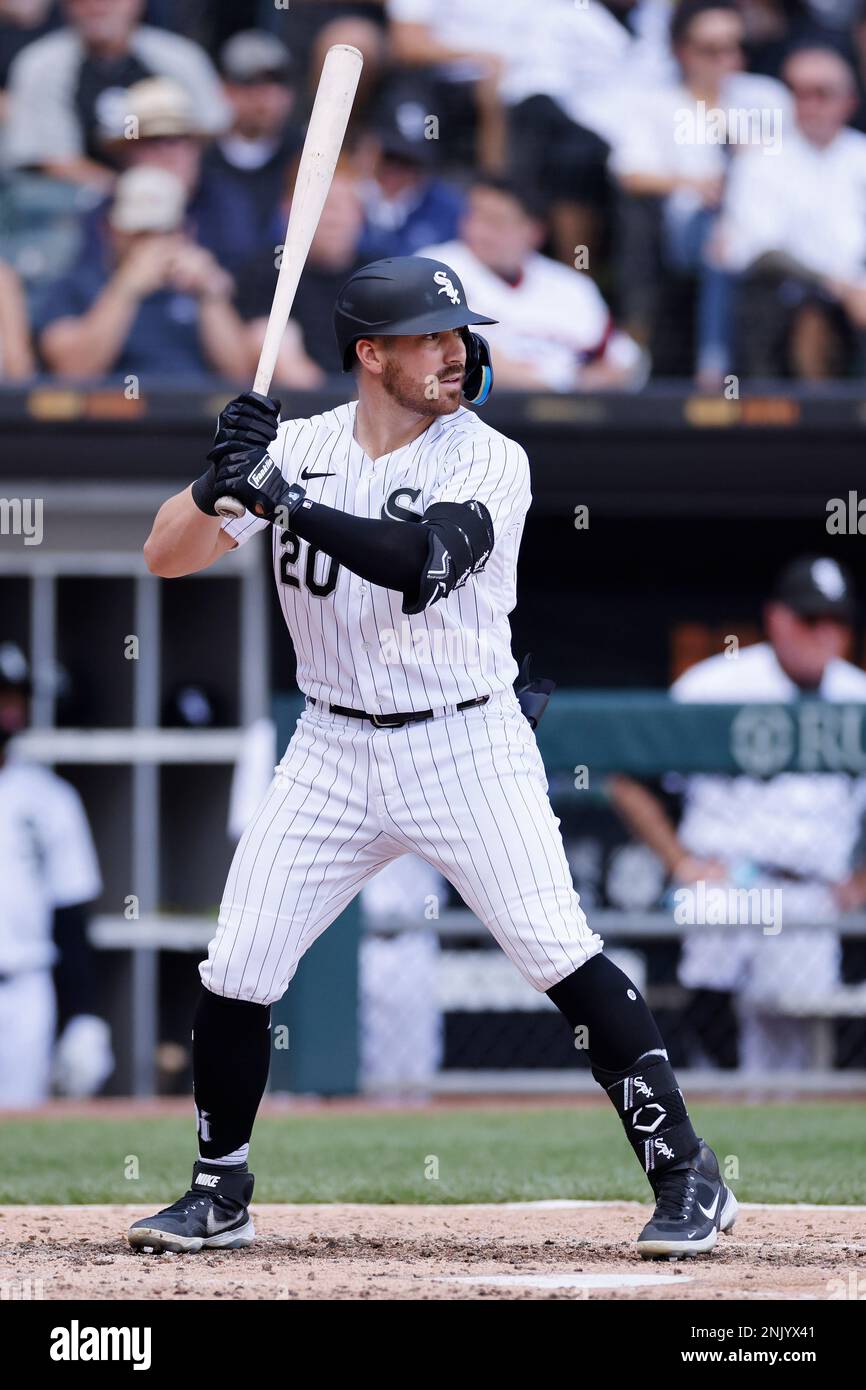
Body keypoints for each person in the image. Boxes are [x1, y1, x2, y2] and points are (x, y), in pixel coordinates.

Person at [131, 253, 737, 1259]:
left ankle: (685, 1172)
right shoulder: (301, 446)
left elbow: (420, 563)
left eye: (456, 332)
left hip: (462, 736)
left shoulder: (485, 456)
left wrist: (280, 498)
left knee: (556, 951)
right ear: (370, 354)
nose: (453, 351)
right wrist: (216, 481)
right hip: (328, 742)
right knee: (236, 963)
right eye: (426, 336)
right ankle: (217, 1187)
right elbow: (165, 554)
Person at [608, 556, 866, 1072]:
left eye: (837, 622)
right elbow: (626, 777)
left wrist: (860, 882)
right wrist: (679, 861)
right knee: (710, 1013)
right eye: (811, 620)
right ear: (777, 618)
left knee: (793, 1054)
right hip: (726, 880)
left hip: (811, 891)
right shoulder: (716, 684)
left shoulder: (858, 695)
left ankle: (780, 1141)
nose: (826, 635)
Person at [609, 0, 790, 381]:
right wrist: (695, 184)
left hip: (769, 226)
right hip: (691, 230)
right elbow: (630, 173)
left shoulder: (766, 97)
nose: (727, 59)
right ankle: (714, 366)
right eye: (711, 49)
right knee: (717, 233)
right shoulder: (654, 104)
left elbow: (793, 169)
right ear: (681, 51)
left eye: (735, 46)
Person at [0, 643, 112, 1107]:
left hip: (24, 983)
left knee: (20, 1134)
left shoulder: (49, 796)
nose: (7, 711)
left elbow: (71, 913)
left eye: (13, 698)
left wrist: (83, 1014)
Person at [715, 46, 866, 378]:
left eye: (822, 94)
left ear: (849, 101)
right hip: (783, 297)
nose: (810, 105)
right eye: (800, 93)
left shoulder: (860, 155)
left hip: (857, 296)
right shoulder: (760, 161)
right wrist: (839, 285)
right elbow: (761, 253)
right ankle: (818, 422)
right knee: (810, 313)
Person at [420, 177, 647, 390]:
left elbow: (628, 363)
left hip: (562, 426)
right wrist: (549, 385)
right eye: (473, 217)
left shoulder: (571, 286)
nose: (479, 231)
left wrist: (568, 390)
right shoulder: (436, 269)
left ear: (533, 232)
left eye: (495, 222)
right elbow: (449, 359)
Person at [35, 165, 249, 382]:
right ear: (109, 230)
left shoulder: (199, 286)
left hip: (196, 412)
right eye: (137, 233)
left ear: (184, 231)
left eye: (161, 232)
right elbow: (73, 372)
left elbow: (241, 377)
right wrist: (125, 289)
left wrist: (210, 295)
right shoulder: (76, 286)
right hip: (113, 412)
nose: (148, 244)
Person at [3, 0, 230, 189]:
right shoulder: (42, 64)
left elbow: (212, 130)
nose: (97, 7)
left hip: (179, 191)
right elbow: (51, 159)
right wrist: (127, 191)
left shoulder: (179, 57)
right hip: (78, 205)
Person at [234, 164, 365, 382]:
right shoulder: (268, 271)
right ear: (289, 211)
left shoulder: (378, 273)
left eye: (343, 207)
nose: (332, 220)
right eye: (321, 206)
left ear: (360, 215)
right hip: (296, 406)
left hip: (370, 399)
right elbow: (258, 353)